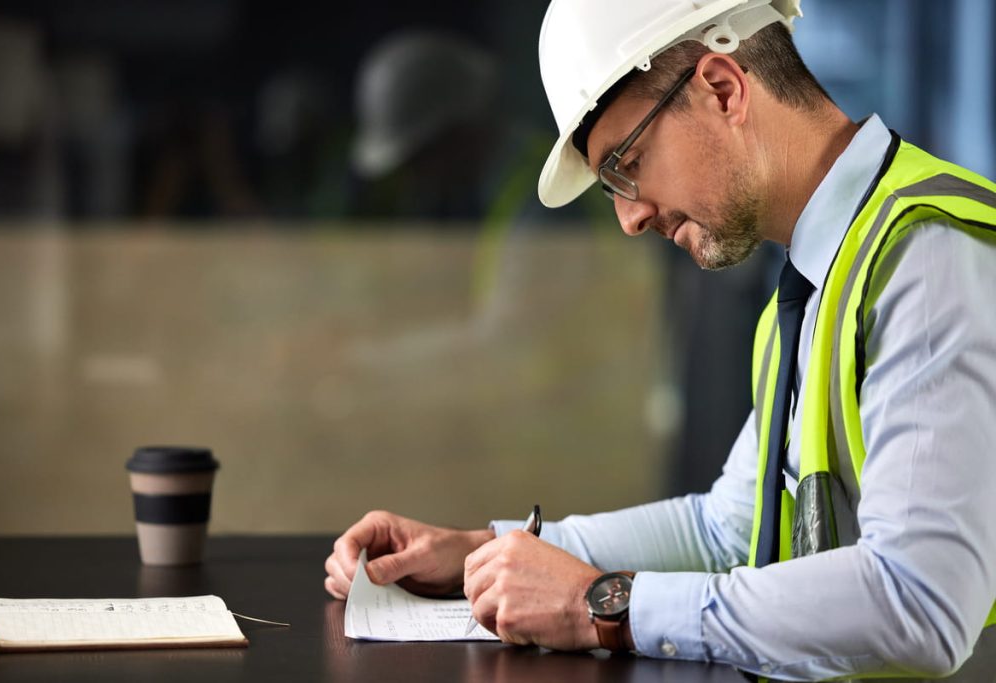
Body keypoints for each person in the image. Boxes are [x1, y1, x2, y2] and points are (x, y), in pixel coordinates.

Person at [325, 1, 996, 680]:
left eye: (628, 162)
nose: (629, 216)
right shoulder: (820, 283)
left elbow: (921, 602)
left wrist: (603, 605)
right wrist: (485, 550)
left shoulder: (927, 257)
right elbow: (724, 530)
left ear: (723, 89)